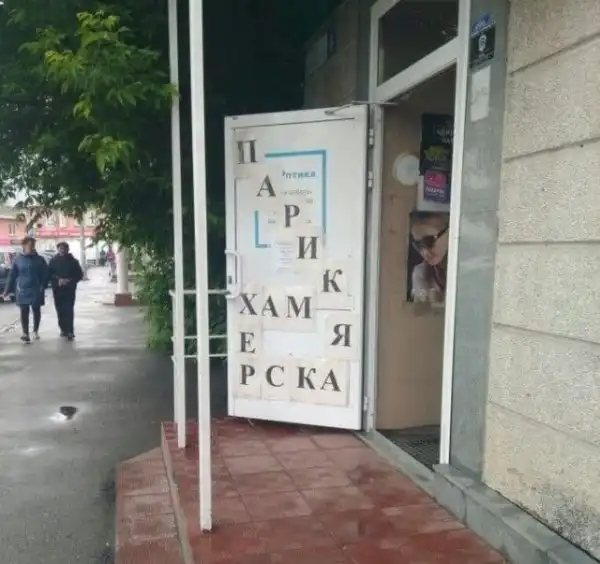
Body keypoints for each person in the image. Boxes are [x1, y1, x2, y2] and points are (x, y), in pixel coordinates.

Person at [3, 236, 49, 343]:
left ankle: (35, 330)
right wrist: (6, 290)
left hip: (36, 288)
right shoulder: (18, 259)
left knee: (36, 309)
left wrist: (43, 285)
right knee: (24, 310)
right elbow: (12, 275)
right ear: (23, 246)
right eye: (29, 245)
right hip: (22, 289)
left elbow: (46, 274)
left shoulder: (40, 260)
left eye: (33, 245)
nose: (31, 247)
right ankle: (25, 333)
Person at [409, 211, 449, 304]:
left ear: (449, 234)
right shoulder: (421, 272)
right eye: (418, 246)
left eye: (428, 241)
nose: (425, 252)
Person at [48, 242, 84, 341]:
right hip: (58, 289)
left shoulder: (73, 261)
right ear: (58, 249)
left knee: (69, 309)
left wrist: (70, 280)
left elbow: (79, 275)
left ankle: (70, 330)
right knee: (60, 309)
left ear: (68, 249)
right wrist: (58, 280)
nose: (62, 250)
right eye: (60, 248)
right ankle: (63, 329)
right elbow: (49, 274)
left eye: (64, 248)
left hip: (69, 289)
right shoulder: (53, 261)